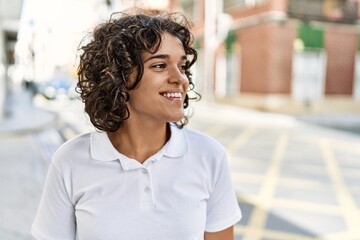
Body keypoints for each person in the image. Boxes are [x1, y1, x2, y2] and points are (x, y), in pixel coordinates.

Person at [31, 7, 241, 240]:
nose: (180, 78)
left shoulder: (209, 156)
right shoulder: (70, 161)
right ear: (117, 77)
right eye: (160, 65)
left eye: (182, 66)